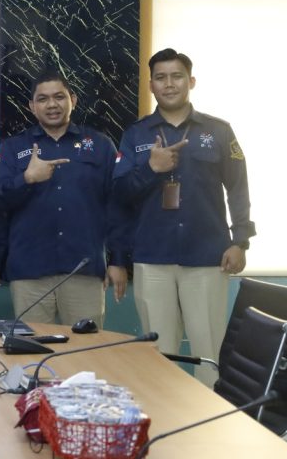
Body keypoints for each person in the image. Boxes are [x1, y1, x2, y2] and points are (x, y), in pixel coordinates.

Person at [114, 48, 254, 386]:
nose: (169, 84)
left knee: (209, 352)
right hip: (153, 257)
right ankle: (164, 415)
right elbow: (119, 193)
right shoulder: (136, 134)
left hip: (206, 256)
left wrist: (240, 242)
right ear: (151, 85)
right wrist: (151, 168)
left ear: (191, 81)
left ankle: (208, 417)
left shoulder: (218, 131)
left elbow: (238, 188)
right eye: (160, 78)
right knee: (158, 354)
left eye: (176, 76)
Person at [0, 71, 126, 327]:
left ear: (73, 99)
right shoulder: (13, 148)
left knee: (85, 348)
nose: (52, 105)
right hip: (30, 271)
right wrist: (26, 179)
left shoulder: (100, 145)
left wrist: (118, 260)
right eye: (42, 99)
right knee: (33, 347)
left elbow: (116, 207)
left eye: (59, 97)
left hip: (83, 269)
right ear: (32, 106)